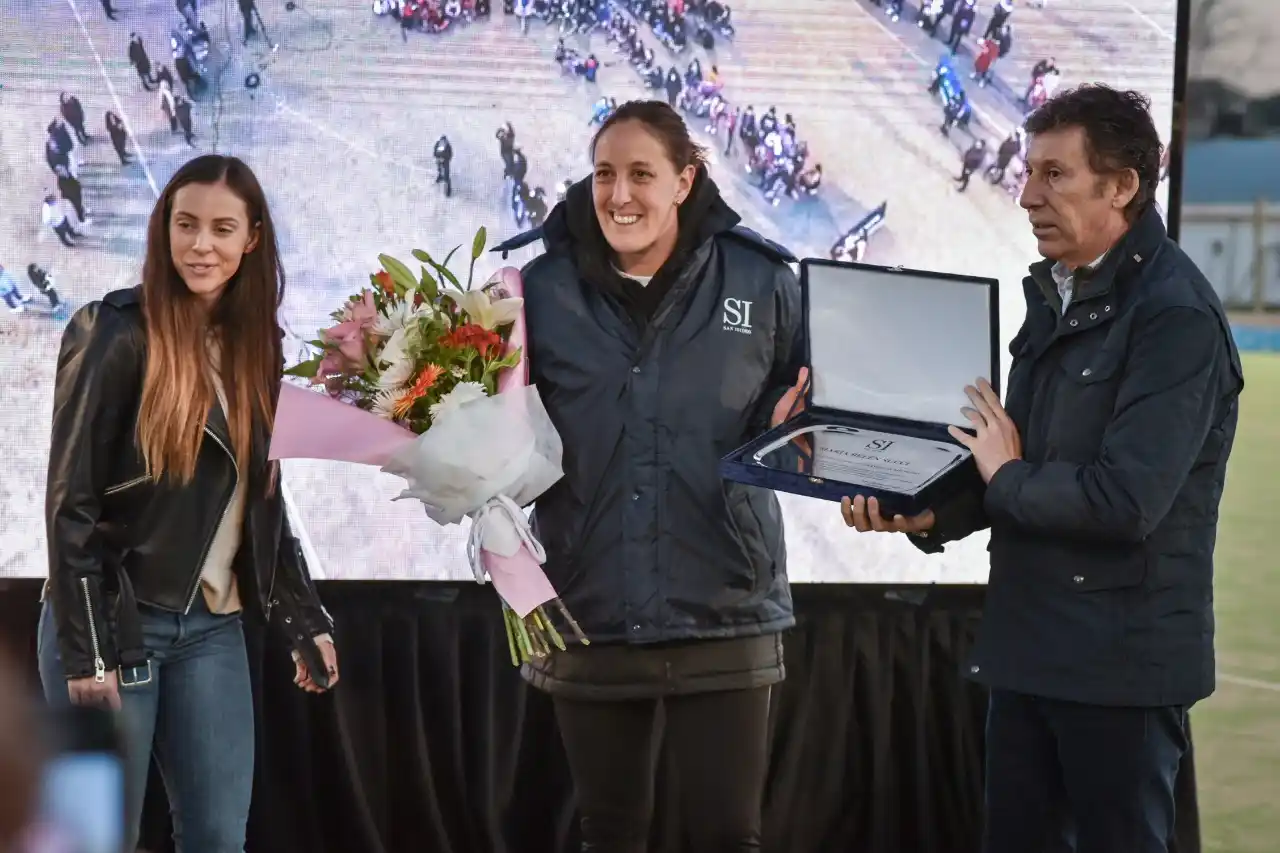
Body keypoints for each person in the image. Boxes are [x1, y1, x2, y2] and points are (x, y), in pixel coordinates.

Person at [839, 85, 1244, 853]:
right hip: (1030, 649)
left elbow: (1124, 501)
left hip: (1120, 670)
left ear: (1123, 185)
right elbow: (1013, 460)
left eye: (1054, 174)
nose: (1027, 195)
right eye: (1028, 172)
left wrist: (1006, 474)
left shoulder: (1175, 318)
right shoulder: (1058, 293)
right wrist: (926, 511)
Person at [492, 99, 806, 853]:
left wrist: (790, 434)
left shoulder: (762, 280)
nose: (619, 194)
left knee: (728, 835)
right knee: (609, 832)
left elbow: (803, 412)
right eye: (605, 174)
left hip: (726, 602)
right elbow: (500, 432)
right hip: (591, 605)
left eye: (641, 173)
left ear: (686, 179)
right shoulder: (538, 291)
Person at [39, 154, 341, 853]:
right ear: (164, 230)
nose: (201, 244)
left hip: (212, 630)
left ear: (252, 238)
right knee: (93, 838)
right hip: (117, 623)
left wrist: (305, 616)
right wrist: (85, 654)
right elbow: (70, 503)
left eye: (221, 228)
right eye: (186, 225)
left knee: (216, 836)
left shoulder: (257, 345)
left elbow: (262, 501)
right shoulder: (111, 331)